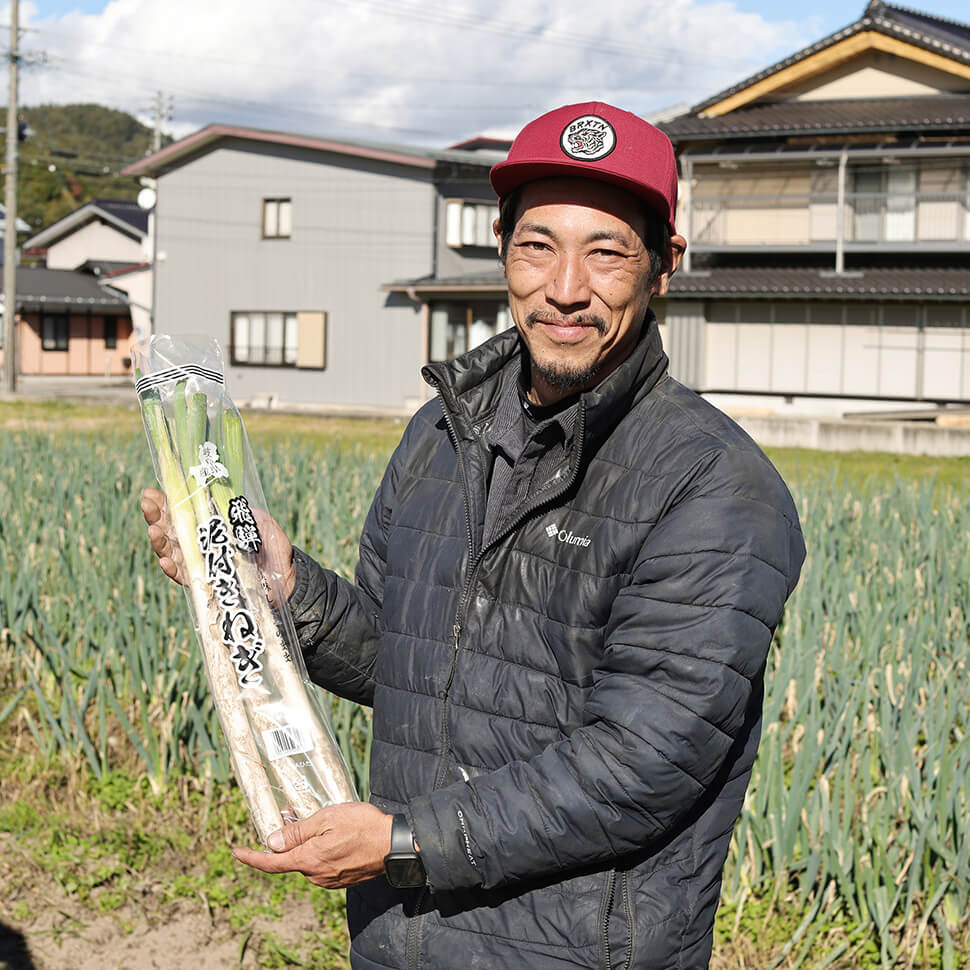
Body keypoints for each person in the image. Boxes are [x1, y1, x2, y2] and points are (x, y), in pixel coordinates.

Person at [143, 101, 805, 970]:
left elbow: (644, 761)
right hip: (401, 940)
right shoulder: (441, 437)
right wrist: (282, 586)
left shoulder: (711, 485)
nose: (566, 287)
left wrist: (404, 840)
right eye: (539, 245)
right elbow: (398, 657)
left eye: (605, 251)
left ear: (664, 268)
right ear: (501, 248)